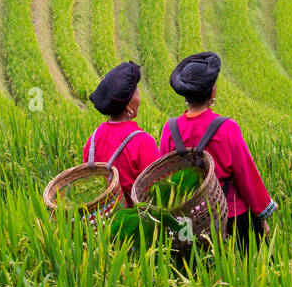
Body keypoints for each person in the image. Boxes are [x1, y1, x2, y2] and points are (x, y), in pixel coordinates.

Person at [159, 51, 277, 246]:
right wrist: (262, 218)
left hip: (189, 221)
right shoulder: (227, 128)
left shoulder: (170, 130)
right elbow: (245, 175)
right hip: (230, 217)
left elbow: (164, 178)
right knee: (240, 271)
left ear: (185, 94)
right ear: (212, 92)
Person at [83, 61, 159, 206]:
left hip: (101, 223)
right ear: (128, 104)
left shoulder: (92, 140)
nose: (139, 96)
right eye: (136, 90)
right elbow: (155, 192)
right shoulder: (143, 142)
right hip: (136, 225)